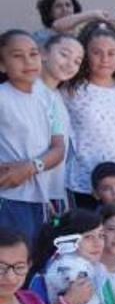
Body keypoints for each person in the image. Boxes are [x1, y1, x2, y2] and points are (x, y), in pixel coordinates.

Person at [64, 21, 115, 209]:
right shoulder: (71, 90)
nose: (105, 59)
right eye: (96, 52)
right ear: (85, 54)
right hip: (84, 181)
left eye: (111, 53)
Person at [0, 30, 66, 246]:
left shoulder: (48, 97)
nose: (28, 61)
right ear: (2, 64)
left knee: (35, 260)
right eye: (17, 55)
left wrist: (31, 167)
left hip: (41, 199)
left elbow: (58, 149)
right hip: (9, 198)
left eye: (33, 53)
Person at [37, 33, 84, 213]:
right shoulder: (31, 94)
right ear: (43, 53)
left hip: (55, 191)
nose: (70, 64)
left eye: (77, 61)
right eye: (64, 54)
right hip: (32, 195)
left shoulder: (57, 95)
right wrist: (40, 194)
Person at [33, 0, 111, 47]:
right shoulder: (42, 35)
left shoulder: (83, 33)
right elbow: (57, 25)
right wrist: (93, 14)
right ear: (49, 12)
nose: (65, 9)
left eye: (68, 5)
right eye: (58, 6)